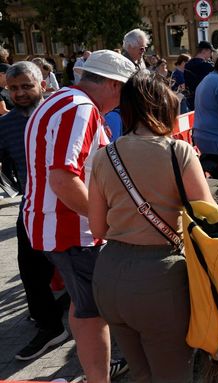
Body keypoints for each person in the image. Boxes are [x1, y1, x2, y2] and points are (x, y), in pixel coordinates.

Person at [88, 70, 218, 382]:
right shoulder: (178, 152)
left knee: (142, 374)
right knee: (173, 375)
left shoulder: (102, 156)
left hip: (109, 277)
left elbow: (97, 228)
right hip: (160, 280)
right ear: (164, 107)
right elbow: (207, 215)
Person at [23, 49, 136, 383]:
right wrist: (106, 220)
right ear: (114, 86)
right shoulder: (81, 109)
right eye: (125, 92)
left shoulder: (59, 100)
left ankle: (95, 371)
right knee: (92, 311)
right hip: (72, 230)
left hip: (55, 225)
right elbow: (63, 178)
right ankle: (98, 377)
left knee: (83, 304)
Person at [0, 61, 68, 361]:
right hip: (31, 206)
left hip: (70, 204)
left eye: (27, 86)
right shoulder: (6, 124)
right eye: (14, 88)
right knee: (30, 270)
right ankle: (50, 326)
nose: (20, 93)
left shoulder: (61, 115)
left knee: (79, 268)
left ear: (43, 84)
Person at [184, 41, 216, 109]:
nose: (211, 55)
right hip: (203, 100)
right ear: (204, 51)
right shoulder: (206, 66)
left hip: (190, 99)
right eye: (210, 52)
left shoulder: (187, 64)